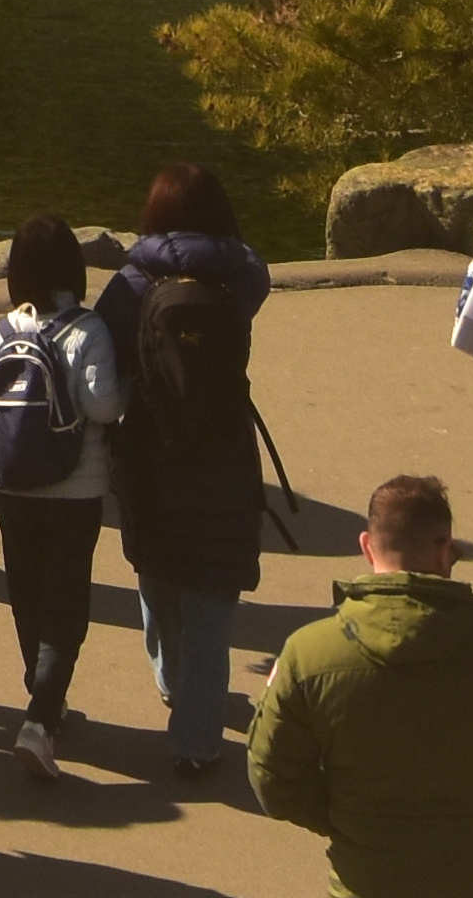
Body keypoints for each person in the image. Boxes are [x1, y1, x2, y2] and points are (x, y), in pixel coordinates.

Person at [249, 472, 473, 893]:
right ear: (445, 551)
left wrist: (344, 819)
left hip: (368, 879)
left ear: (366, 545)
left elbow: (273, 781)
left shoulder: (307, 654)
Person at [102, 160, 279, 771]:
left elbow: (111, 354)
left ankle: (172, 681)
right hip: (225, 451)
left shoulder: (130, 285)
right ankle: (197, 744)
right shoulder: (244, 278)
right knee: (212, 597)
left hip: (153, 451)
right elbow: (254, 277)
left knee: (156, 573)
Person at [0, 211, 124, 774]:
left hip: (11, 487)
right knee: (68, 604)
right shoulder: (88, 330)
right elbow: (105, 406)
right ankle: (40, 718)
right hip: (73, 490)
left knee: (27, 595)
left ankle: (45, 696)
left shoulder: (1, 332)